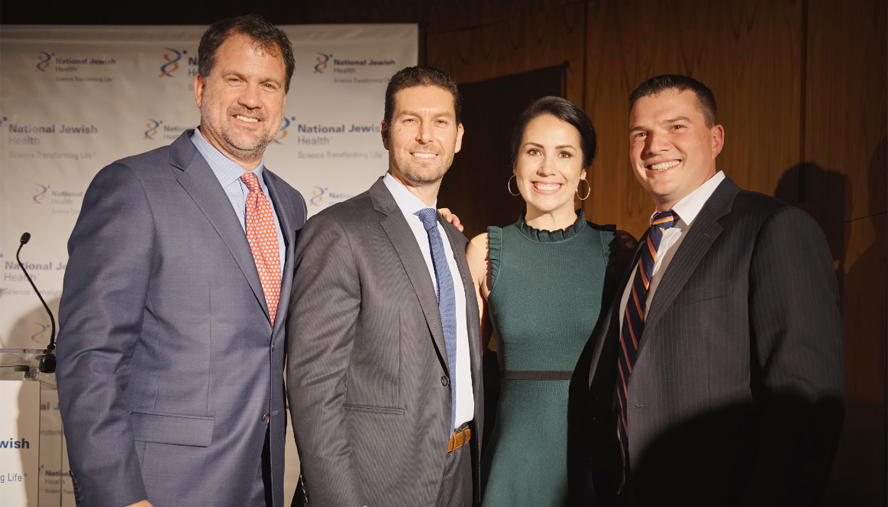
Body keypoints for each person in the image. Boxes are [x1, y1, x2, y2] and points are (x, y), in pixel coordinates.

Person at [55, 15, 306, 507]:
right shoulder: (134, 188)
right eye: (235, 79)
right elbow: (91, 358)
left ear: (282, 101)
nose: (252, 99)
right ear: (199, 86)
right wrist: (119, 496)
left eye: (268, 85)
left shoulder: (291, 205)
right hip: (161, 488)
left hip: (261, 481)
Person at [586, 74, 846, 506]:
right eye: (640, 134)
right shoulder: (638, 254)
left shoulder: (774, 228)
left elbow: (807, 410)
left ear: (716, 138)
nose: (655, 146)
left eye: (676, 126)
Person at [287, 66, 484, 507]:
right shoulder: (337, 233)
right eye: (409, 121)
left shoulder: (455, 241)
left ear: (458, 137)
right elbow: (314, 389)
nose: (424, 136)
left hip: (460, 473)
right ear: (385, 132)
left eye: (440, 122)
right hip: (378, 483)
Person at [463, 96, 634, 505]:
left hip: (594, 464)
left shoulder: (618, 251)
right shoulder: (484, 251)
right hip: (512, 466)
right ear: (515, 164)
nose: (547, 168)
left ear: (583, 169)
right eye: (534, 151)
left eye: (564, 154)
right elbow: (462, 372)